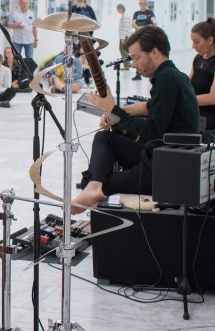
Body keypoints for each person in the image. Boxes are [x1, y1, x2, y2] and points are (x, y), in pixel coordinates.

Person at [73, 26, 199, 213]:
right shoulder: (174, 76)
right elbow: (151, 107)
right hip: (156, 156)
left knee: (98, 179)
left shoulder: (166, 80)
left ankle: (94, 186)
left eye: (135, 57)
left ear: (154, 53)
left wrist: (114, 110)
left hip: (164, 169)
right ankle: (94, 187)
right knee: (104, 138)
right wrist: (116, 111)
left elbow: (153, 130)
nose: (132, 64)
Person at [131, 0, 156, 80]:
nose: (142, 5)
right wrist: (138, 28)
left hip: (147, 36)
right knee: (137, 55)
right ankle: (138, 74)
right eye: (141, 3)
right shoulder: (136, 13)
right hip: (138, 36)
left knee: (148, 54)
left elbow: (155, 23)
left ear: (146, 4)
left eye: (144, 3)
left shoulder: (150, 13)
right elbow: (133, 23)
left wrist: (145, 27)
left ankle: (151, 72)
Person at [116, 4, 132, 70]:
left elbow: (126, 27)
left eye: (117, 9)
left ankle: (126, 65)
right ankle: (128, 63)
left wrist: (123, 37)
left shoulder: (125, 16)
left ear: (121, 9)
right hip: (124, 36)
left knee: (122, 50)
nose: (117, 10)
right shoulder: (125, 15)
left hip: (124, 36)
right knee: (125, 50)